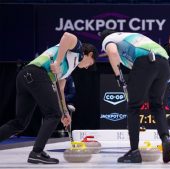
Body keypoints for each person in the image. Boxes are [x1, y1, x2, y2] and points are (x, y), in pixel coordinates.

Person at [0, 32, 98, 164]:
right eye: (90, 64)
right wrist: (57, 62)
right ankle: (36, 152)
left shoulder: (69, 68)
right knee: (53, 115)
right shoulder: (78, 48)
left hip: (25, 76)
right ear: (90, 54)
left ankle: (37, 151)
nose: (86, 67)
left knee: (20, 123)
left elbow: (60, 91)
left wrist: (64, 113)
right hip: (37, 73)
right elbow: (67, 36)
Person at [100, 29, 170, 163]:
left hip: (146, 61)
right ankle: (165, 138)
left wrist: (118, 77)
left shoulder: (110, 38)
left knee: (133, 107)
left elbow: (112, 52)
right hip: (164, 63)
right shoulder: (130, 36)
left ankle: (134, 152)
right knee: (157, 106)